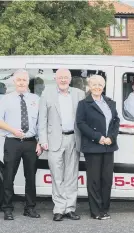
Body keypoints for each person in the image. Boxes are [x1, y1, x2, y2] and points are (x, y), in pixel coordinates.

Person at [38, 68, 85, 221]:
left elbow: (83, 119)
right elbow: (42, 120)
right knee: (57, 176)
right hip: (53, 141)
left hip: (73, 138)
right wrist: (43, 140)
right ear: (55, 79)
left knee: (71, 176)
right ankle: (59, 209)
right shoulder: (47, 94)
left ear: (70, 79)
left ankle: (70, 208)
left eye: (66, 77)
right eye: (60, 77)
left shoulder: (79, 94)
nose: (63, 80)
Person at [76, 75, 120, 220]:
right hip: (93, 147)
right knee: (94, 180)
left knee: (107, 180)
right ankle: (95, 212)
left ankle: (104, 209)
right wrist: (98, 137)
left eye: (100, 84)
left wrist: (111, 138)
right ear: (89, 86)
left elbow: (115, 121)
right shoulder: (83, 104)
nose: (97, 87)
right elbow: (81, 124)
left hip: (109, 146)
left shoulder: (110, 103)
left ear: (104, 86)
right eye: (94, 84)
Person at [0, 69, 42, 220]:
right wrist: (13, 130)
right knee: (8, 176)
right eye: (19, 80)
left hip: (31, 143)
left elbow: (40, 122)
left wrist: (40, 142)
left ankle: (29, 208)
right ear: (14, 82)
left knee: (30, 176)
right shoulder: (5, 99)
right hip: (12, 142)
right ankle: (7, 208)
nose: (22, 83)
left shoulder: (36, 99)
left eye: (24, 80)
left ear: (27, 82)